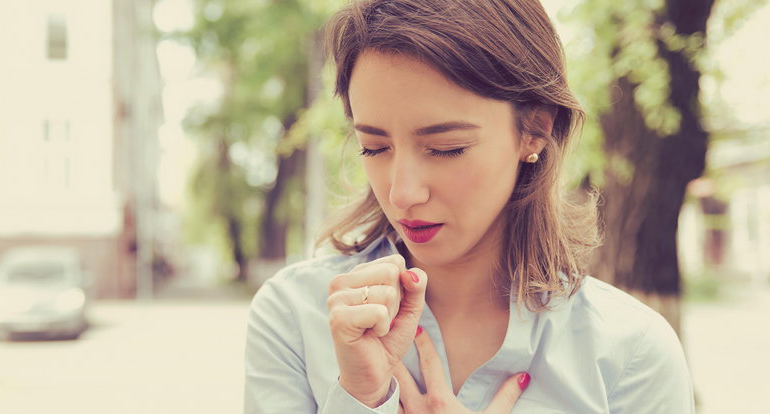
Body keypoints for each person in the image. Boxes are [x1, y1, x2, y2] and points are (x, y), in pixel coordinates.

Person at [244, 0, 695, 413]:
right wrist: (360, 398)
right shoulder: (295, 315)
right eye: (374, 148)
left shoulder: (630, 353)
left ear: (534, 130)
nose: (403, 193)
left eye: (446, 148)